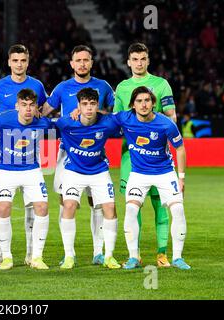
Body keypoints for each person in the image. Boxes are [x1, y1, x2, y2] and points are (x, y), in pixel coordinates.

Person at [42, 45, 115, 265]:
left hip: (95, 151)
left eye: (86, 60)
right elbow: (44, 112)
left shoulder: (103, 87)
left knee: (98, 203)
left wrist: (89, 112)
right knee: (66, 201)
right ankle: (68, 253)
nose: (82, 64)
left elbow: (113, 114)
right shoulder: (63, 88)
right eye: (78, 60)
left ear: (92, 62)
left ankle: (98, 251)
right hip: (68, 151)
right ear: (71, 63)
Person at [111, 86, 190, 270]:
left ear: (153, 103)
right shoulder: (125, 117)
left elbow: (180, 148)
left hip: (164, 172)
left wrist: (182, 177)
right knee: (131, 209)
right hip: (139, 174)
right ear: (133, 104)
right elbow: (102, 117)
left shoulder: (166, 123)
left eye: (147, 100)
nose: (143, 104)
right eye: (139, 101)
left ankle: (177, 258)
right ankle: (133, 258)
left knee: (177, 209)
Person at [114, 42, 177, 267]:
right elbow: (117, 120)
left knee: (161, 206)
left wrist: (155, 131)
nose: (139, 63)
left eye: (143, 59)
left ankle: (162, 254)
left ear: (148, 60)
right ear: (128, 62)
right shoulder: (121, 88)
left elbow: (172, 117)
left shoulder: (161, 84)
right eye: (135, 59)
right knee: (133, 206)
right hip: (130, 157)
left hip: (159, 156)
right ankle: (135, 255)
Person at [0, 44, 48, 266]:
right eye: (15, 60)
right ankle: (5, 254)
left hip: (31, 159)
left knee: (37, 208)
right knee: (3, 207)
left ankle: (34, 255)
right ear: (9, 62)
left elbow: (45, 109)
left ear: (28, 61)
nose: (19, 64)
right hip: (5, 159)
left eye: (23, 60)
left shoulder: (37, 86)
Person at [54, 88, 121, 269]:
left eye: (92, 104)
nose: (89, 108)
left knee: (109, 207)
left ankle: (108, 256)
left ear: (97, 106)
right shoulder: (66, 123)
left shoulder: (107, 123)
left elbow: (125, 117)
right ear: (78, 106)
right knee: (68, 205)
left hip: (99, 171)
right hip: (73, 171)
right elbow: (41, 124)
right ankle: (69, 256)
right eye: (84, 104)